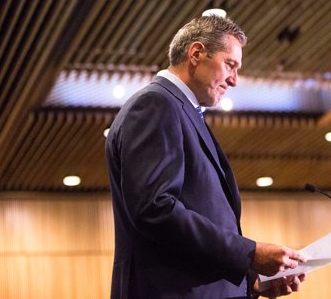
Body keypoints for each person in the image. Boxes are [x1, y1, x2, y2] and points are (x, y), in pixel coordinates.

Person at [105, 15, 306, 299]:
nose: (235, 80)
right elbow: (155, 209)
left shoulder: (182, 111)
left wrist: (253, 282)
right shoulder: (156, 104)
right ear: (196, 53)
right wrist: (249, 254)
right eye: (230, 65)